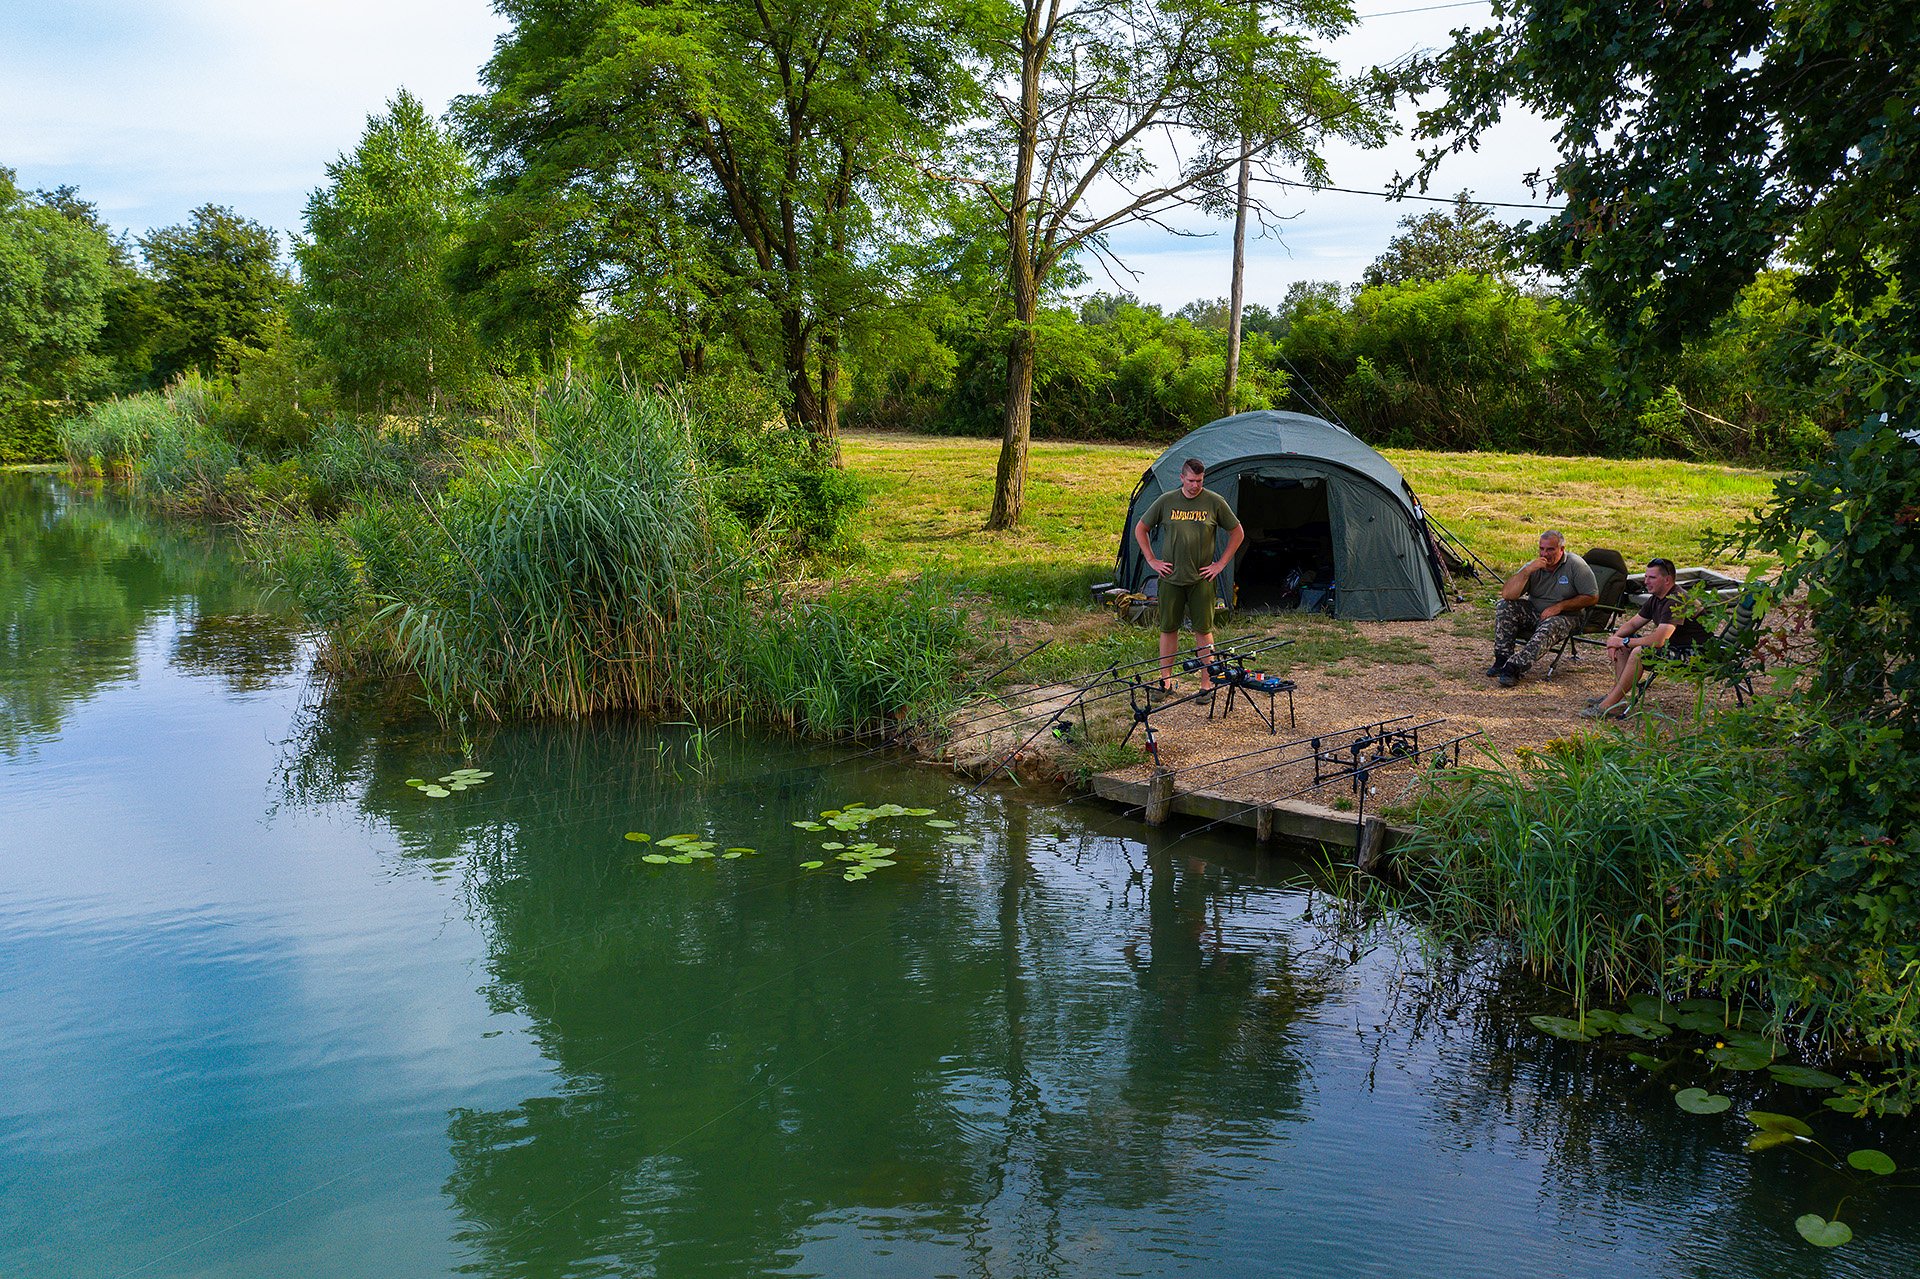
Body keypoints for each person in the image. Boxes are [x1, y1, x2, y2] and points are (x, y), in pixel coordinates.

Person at [1134, 458, 1245, 692]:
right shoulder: (1166, 501)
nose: (1196, 485)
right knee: (1168, 628)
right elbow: (1141, 529)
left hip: (1201, 580)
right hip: (1171, 579)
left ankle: (1207, 683)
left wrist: (1220, 564)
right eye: (1192, 480)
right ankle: (1165, 681)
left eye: (1200, 481)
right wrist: (1152, 560)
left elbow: (1237, 532)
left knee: (1203, 631)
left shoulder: (1214, 502)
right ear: (1182, 478)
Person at [1580, 557, 1712, 718]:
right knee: (1625, 644)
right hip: (1677, 647)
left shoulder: (1677, 599)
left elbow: (1659, 640)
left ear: (1667, 580)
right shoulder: (1657, 598)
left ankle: (1606, 706)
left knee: (1640, 652)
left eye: (1652, 578)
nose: (1646, 581)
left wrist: (1624, 641)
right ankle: (1615, 700)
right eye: (1646, 577)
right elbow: (1633, 624)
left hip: (1696, 654)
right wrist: (1615, 639)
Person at [1489, 530, 1598, 687]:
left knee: (1551, 624)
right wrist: (1526, 571)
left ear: (1562, 549)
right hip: (1536, 612)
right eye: (1542, 549)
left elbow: (1592, 596)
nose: (1545, 554)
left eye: (1550, 549)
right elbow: (1507, 594)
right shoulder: (1534, 567)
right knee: (1504, 606)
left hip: (1568, 616)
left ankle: (1515, 667)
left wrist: (1560, 606)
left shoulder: (1576, 565)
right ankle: (1502, 659)